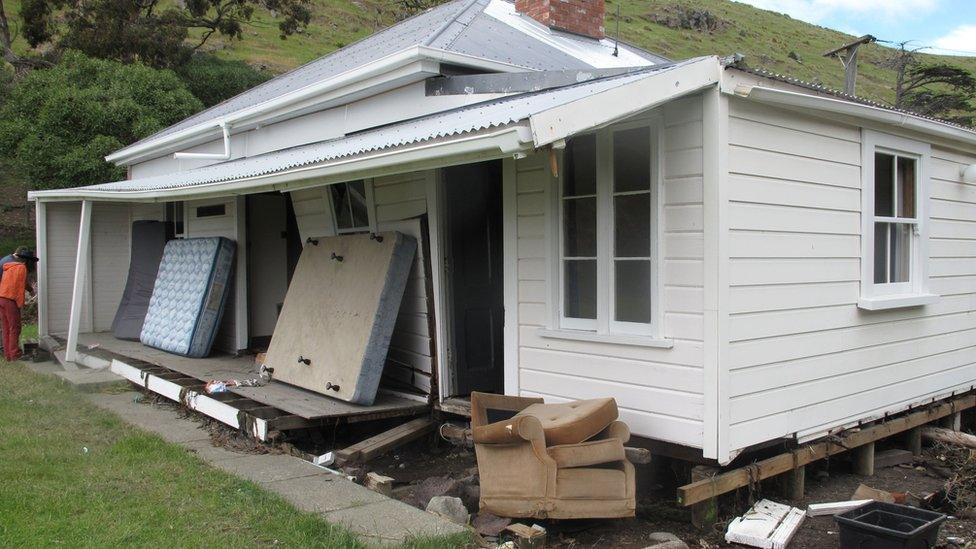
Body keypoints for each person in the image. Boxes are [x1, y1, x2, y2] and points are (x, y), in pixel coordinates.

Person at [0, 248, 38, 361]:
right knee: (15, 327)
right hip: (10, 300)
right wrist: (21, 302)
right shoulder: (21, 268)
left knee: (6, 327)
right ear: (26, 260)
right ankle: (15, 354)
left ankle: (8, 355)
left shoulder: (9, 266)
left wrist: (30, 290)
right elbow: (18, 285)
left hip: (1, 297)